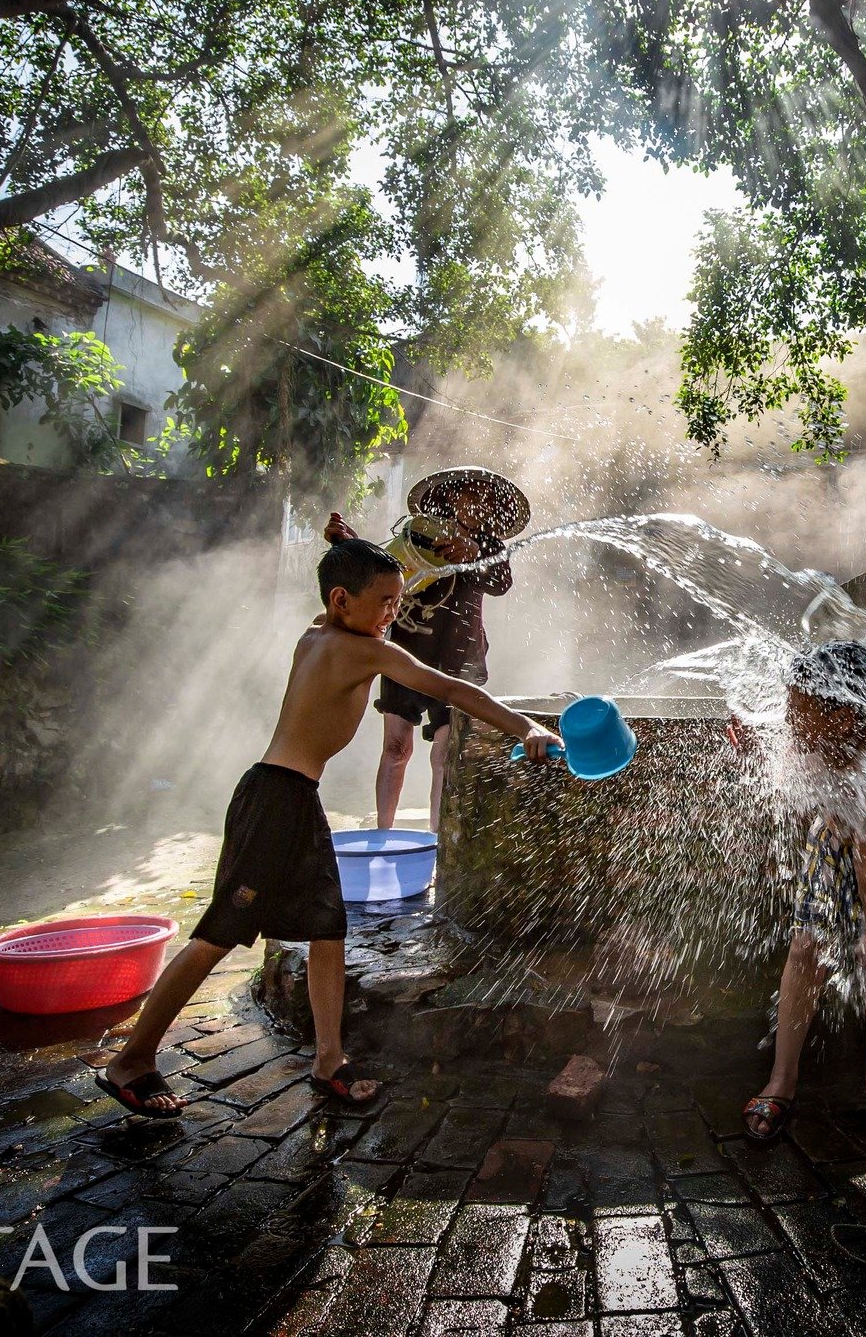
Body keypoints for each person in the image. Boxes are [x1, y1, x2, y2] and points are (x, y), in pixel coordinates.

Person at [96, 537, 564, 1118]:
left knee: (326, 927)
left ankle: (328, 1060)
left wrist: (348, 550)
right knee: (218, 933)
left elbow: (339, 598)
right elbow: (447, 688)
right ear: (344, 600)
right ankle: (131, 1061)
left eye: (399, 599)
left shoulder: (317, 633)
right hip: (276, 803)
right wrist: (525, 726)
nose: (395, 612)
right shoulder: (361, 653)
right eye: (387, 601)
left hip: (288, 795)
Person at [734, 641, 866, 1145]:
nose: (788, 717)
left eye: (798, 707)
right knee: (805, 950)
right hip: (834, 841)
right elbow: (796, 785)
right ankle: (783, 1081)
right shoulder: (818, 738)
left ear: (843, 716)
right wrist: (755, 751)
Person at [326, 466, 527, 833]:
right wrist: (350, 545)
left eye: (484, 497)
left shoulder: (491, 546)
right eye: (468, 493)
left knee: (443, 756)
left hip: (460, 661)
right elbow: (383, 565)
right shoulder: (419, 531)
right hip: (407, 652)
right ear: (449, 497)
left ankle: (436, 843)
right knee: (396, 749)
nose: (476, 502)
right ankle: (383, 835)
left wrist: (475, 554)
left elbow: (501, 583)